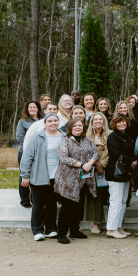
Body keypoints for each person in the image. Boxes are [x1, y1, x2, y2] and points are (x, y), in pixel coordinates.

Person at [55, 118, 99, 244]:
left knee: (79, 207)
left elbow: (95, 153)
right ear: (70, 128)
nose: (78, 127)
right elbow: (64, 158)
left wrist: (89, 164)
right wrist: (81, 164)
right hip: (68, 179)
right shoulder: (64, 140)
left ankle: (75, 230)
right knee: (67, 207)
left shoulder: (88, 139)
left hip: (84, 179)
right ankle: (61, 234)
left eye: (80, 125)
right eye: (75, 126)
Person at [19, 113, 62, 241]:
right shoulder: (37, 137)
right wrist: (25, 176)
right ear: (45, 123)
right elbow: (27, 158)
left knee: (51, 203)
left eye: (55, 120)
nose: (53, 123)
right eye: (50, 121)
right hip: (39, 175)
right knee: (38, 203)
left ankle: (51, 229)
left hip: (56, 177)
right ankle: (37, 230)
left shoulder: (64, 137)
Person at [106, 114, 136, 239]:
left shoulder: (127, 136)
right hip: (115, 173)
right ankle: (111, 229)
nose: (122, 124)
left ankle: (118, 227)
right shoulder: (112, 137)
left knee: (123, 202)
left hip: (125, 173)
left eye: (123, 121)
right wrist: (131, 161)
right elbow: (116, 154)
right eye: (119, 122)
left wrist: (132, 162)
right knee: (116, 202)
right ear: (114, 124)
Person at [85, 112, 110, 235]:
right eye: (96, 119)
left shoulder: (110, 134)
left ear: (104, 121)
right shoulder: (87, 135)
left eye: (101, 119)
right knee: (94, 195)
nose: (98, 121)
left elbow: (114, 152)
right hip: (92, 169)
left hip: (107, 168)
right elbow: (83, 153)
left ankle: (112, 222)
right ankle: (94, 221)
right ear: (92, 122)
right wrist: (95, 164)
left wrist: (102, 164)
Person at [17, 101, 43, 207]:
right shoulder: (23, 121)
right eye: (30, 107)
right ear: (27, 109)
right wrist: (31, 148)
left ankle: (35, 199)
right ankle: (24, 200)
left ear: (38, 108)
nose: (32, 109)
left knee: (36, 176)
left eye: (34, 107)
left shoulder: (43, 120)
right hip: (25, 152)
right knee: (24, 175)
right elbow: (20, 137)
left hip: (40, 153)